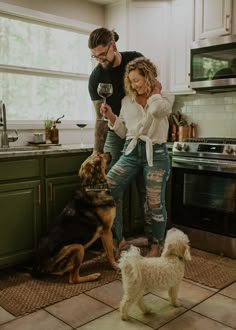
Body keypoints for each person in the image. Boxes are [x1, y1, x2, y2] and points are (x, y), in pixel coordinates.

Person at [100, 57, 175, 257]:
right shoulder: (127, 101)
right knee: (108, 190)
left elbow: (158, 111)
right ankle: (117, 240)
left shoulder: (165, 96)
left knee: (154, 202)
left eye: (137, 80)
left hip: (156, 153)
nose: (133, 85)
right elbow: (124, 132)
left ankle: (156, 245)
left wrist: (156, 91)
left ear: (148, 77)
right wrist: (111, 117)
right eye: (131, 81)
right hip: (131, 151)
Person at [88, 27, 143, 165]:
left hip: (141, 128)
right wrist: (97, 151)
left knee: (140, 177)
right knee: (111, 174)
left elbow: (153, 87)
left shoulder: (136, 60)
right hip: (115, 129)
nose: (100, 60)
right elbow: (100, 118)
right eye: (95, 57)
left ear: (113, 45)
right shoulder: (96, 77)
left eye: (103, 54)